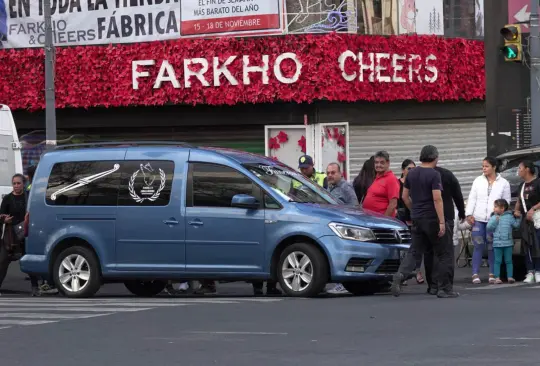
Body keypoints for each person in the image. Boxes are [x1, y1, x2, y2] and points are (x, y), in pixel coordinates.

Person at [390, 145, 458, 298]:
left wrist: (414, 210)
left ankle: (400, 275)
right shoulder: (434, 174)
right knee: (444, 253)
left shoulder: (412, 174)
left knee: (414, 251)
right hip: (432, 218)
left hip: (417, 219)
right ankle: (444, 289)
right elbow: (437, 198)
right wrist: (441, 222)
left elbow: (404, 197)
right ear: (435, 158)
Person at [465, 157, 511, 284]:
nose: (483, 168)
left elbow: (506, 203)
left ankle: (492, 273)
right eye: (483, 166)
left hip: (494, 220)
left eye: (486, 166)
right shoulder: (478, 181)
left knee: (492, 247)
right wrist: (469, 214)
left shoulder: (504, 183)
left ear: (494, 167)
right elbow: (472, 198)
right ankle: (475, 273)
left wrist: (501, 217)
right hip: (478, 219)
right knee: (478, 245)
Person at [423, 165, 466, 294]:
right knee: (445, 253)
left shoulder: (419, 175)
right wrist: (462, 213)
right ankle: (445, 286)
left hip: (426, 217)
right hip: (446, 217)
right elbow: (457, 195)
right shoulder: (447, 174)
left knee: (430, 252)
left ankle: (432, 285)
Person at [0, 174, 40, 296]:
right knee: (2, 261)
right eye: (14, 183)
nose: (16, 186)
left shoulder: (28, 197)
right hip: (11, 236)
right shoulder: (7, 198)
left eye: (18, 183)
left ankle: (35, 288)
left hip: (26, 235)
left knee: (29, 261)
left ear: (23, 184)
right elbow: (1, 215)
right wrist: (4, 220)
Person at [513, 160, 540, 283]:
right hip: (526, 220)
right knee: (527, 245)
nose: (518, 171)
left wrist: (533, 209)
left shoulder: (538, 182)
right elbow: (519, 200)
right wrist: (516, 210)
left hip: (537, 218)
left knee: (538, 244)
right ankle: (530, 272)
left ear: (527, 169)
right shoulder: (521, 186)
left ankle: (538, 270)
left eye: (520, 168)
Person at [487, 199, 520, 284]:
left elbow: (516, 225)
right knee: (497, 261)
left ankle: (510, 277)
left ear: (502, 208)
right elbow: (489, 228)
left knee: (508, 261)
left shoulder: (509, 216)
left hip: (508, 243)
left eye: (496, 207)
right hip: (497, 244)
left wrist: (519, 217)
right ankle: (497, 277)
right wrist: (495, 221)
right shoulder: (493, 217)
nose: (494, 208)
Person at [362, 151, 400, 217]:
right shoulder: (378, 177)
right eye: (376, 162)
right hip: (372, 219)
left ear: (388, 163)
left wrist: (384, 220)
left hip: (381, 222)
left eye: (382, 162)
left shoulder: (391, 179)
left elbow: (393, 204)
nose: (378, 165)